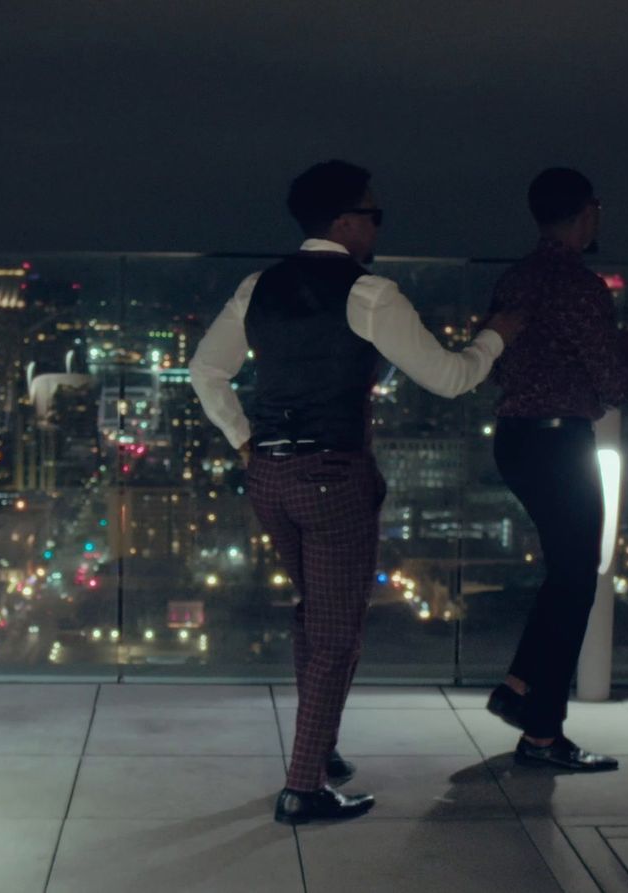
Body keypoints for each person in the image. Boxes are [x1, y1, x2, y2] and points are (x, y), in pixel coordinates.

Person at [189, 159, 521, 822]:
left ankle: (322, 745)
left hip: (270, 477)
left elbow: (204, 370)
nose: (378, 225)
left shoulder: (259, 286)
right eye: (374, 214)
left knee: (315, 614)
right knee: (337, 630)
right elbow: (451, 378)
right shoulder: (369, 293)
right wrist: (497, 337)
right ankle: (303, 787)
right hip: (332, 476)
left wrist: (244, 439)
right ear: (344, 222)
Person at [481, 168, 628, 772]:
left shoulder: (516, 277)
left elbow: (498, 363)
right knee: (577, 578)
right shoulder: (580, 287)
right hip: (560, 443)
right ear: (588, 213)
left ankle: (522, 690)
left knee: (567, 575)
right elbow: (612, 382)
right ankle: (542, 736)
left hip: (516, 440)